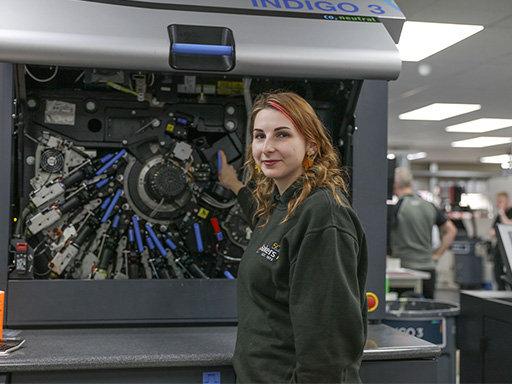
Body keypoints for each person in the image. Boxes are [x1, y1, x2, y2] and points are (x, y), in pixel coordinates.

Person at [218, 92, 368, 383]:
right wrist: (233, 184)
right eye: (259, 136)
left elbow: (329, 349)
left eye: (282, 135)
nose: (267, 147)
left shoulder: (324, 215)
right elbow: (263, 221)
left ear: (311, 144)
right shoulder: (281, 205)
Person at [389, 168, 457, 299]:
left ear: (395, 186)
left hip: (405, 271)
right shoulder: (430, 206)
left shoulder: (396, 208)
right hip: (428, 269)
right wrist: (437, 254)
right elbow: (451, 231)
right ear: (412, 183)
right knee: (428, 312)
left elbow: (385, 239)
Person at [490, 191, 512, 290]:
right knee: (498, 273)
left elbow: (508, 226)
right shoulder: (498, 217)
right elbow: (493, 232)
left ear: (506, 202)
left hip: (510, 249)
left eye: (500, 202)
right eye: (497, 202)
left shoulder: (508, 213)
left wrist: (502, 213)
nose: (498, 204)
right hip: (499, 248)